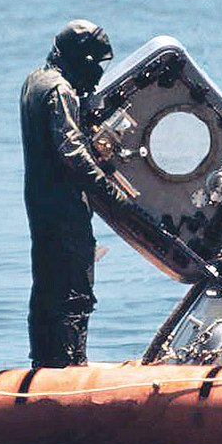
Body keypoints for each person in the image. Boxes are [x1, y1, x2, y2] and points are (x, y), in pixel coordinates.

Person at [20, 19, 129, 368]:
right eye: (93, 63)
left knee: (46, 286)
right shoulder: (60, 90)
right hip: (65, 205)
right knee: (73, 290)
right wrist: (109, 192)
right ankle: (70, 364)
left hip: (40, 202)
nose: (96, 73)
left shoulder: (34, 81)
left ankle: (43, 361)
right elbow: (71, 152)